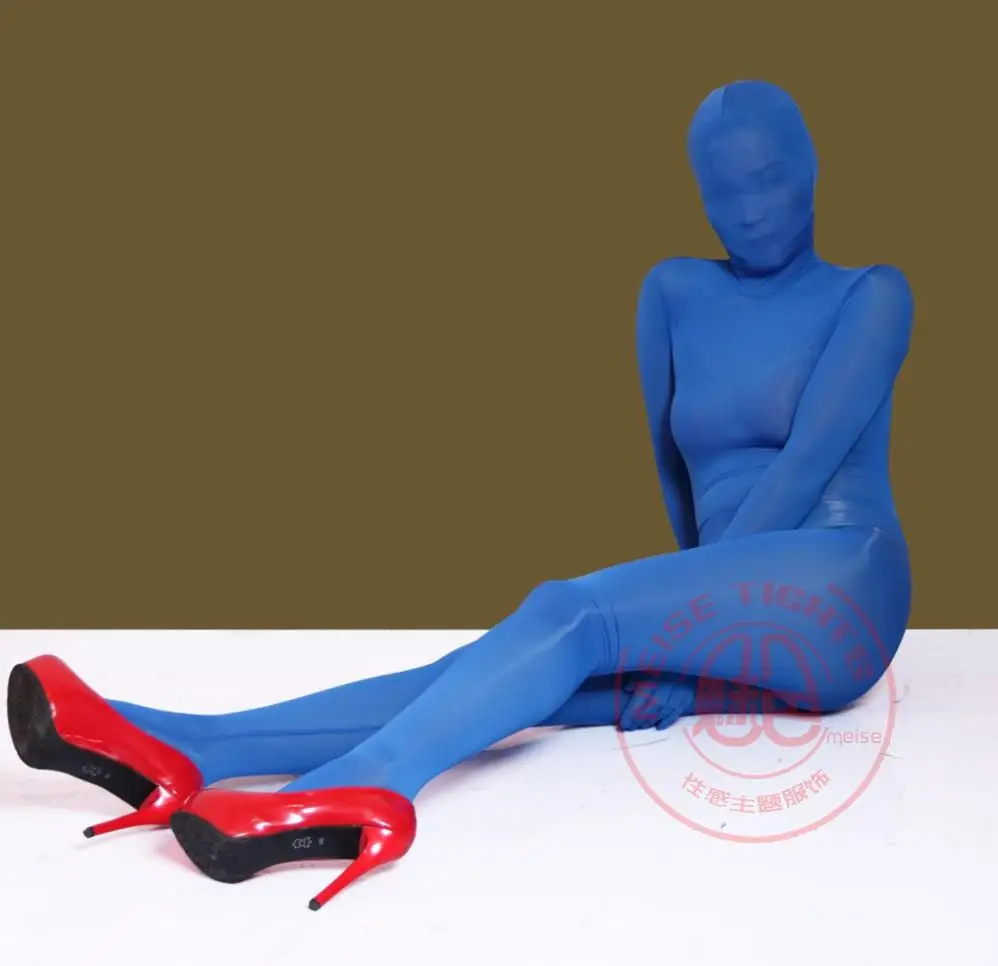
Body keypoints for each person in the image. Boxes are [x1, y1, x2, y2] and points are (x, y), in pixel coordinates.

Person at [7, 79, 913, 911]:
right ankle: (196, 747)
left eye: (770, 180)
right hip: (739, 614)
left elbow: (802, 469)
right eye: (724, 191)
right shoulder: (673, 292)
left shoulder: (871, 295)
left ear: (810, 167)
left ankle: (370, 787)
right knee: (510, 673)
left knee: (569, 614)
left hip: (842, 588)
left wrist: (682, 643)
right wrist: (682, 638)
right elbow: (677, 477)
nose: (750, 210)